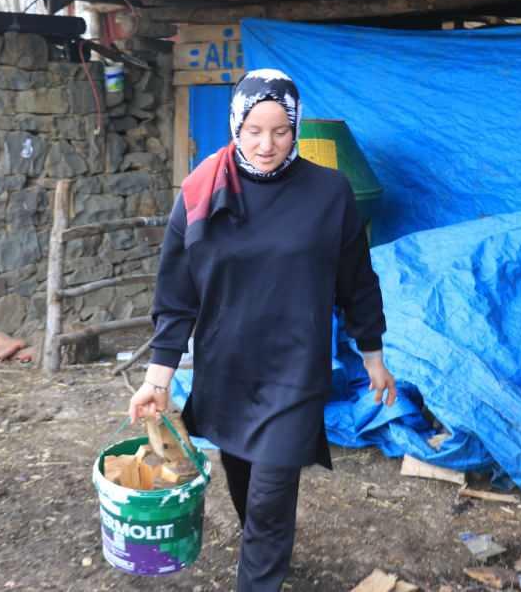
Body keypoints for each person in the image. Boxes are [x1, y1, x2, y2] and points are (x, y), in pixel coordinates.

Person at [128, 68, 396, 591]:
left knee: (272, 495)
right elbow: (176, 295)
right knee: (246, 485)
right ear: (235, 125)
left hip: (294, 369)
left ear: (296, 127)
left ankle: (259, 575)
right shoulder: (201, 190)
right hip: (226, 368)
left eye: (280, 130)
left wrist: (372, 353)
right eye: (253, 130)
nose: (266, 144)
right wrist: (157, 379)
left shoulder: (329, 193)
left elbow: (357, 281)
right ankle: (263, 550)